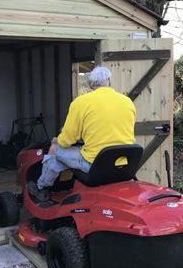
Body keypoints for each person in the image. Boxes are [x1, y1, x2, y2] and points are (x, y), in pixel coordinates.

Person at [28, 66, 137, 203]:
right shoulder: (127, 102)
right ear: (109, 81)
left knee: (55, 150)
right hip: (123, 163)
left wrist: (57, 140)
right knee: (65, 156)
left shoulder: (81, 102)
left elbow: (67, 139)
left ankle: (41, 187)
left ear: (90, 84)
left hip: (95, 163)